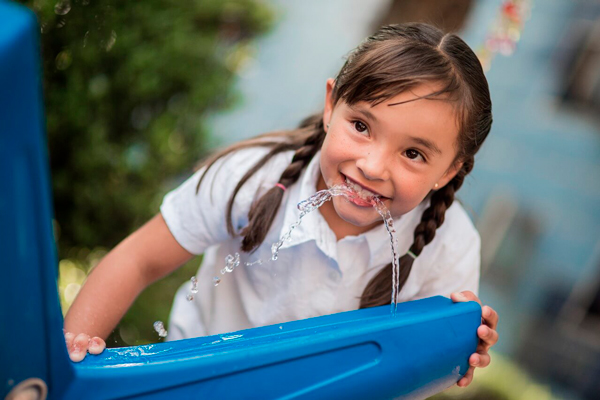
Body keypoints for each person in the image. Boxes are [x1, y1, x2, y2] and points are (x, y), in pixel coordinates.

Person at [64, 23, 499, 388]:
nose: (372, 166)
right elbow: (138, 259)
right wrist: (71, 359)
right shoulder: (252, 175)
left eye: (413, 154)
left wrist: (455, 344)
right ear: (331, 106)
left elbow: (415, 375)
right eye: (362, 125)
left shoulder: (450, 245)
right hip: (189, 385)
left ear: (450, 169)